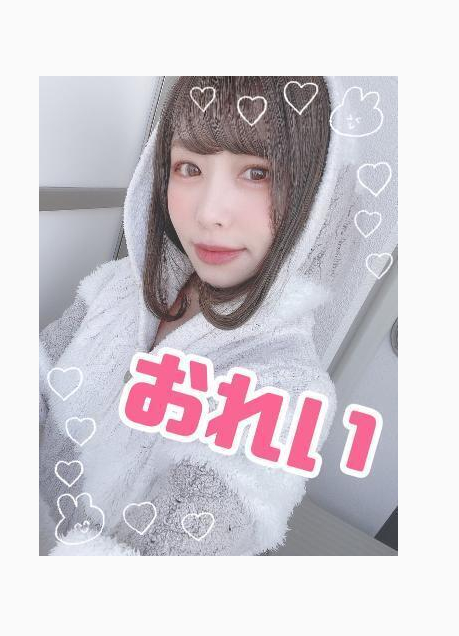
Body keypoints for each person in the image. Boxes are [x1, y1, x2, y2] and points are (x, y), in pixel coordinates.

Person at [39, 76, 339, 555]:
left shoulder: (286, 391)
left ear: (312, 191)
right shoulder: (117, 285)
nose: (209, 213)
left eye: (257, 172)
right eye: (189, 167)